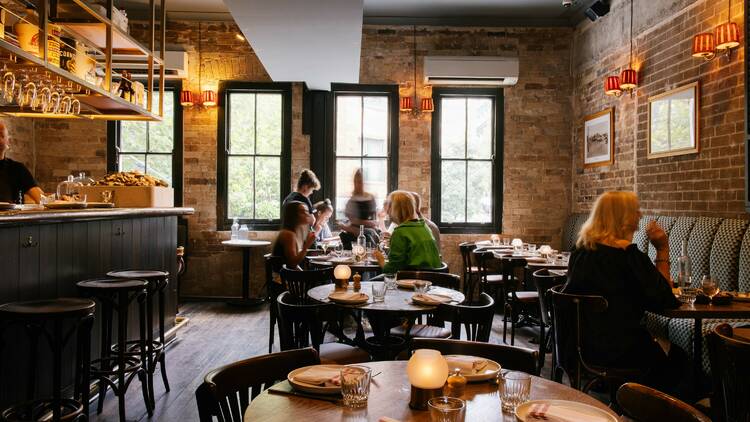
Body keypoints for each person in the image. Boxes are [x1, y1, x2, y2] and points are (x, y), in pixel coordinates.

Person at [562, 191, 687, 397]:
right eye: (635, 210)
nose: (640, 215)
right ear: (624, 217)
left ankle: (623, 397)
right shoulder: (629, 257)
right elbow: (666, 300)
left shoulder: (580, 251)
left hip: (577, 346)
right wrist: (663, 249)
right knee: (681, 358)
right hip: (619, 352)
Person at [373, 190, 441, 274]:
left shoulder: (400, 232)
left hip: (414, 280)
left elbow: (391, 271)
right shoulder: (424, 226)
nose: (388, 214)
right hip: (434, 280)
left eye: (389, 208)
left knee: (368, 284)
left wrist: (381, 260)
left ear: (395, 210)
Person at [0, 121, 43, 204]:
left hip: (11, 216)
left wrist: (60, 202)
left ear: (8, 141)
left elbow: (40, 197)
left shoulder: (17, 169)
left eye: (1, 135)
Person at [340, 168, 379, 249]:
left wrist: (373, 224)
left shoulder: (371, 197)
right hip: (355, 232)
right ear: (354, 183)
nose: (360, 184)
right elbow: (353, 221)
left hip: (371, 231)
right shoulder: (352, 200)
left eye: (362, 182)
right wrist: (370, 223)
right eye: (358, 182)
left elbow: (375, 218)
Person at [272, 201, 318, 268]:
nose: (307, 214)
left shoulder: (297, 232)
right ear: (293, 215)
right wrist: (306, 245)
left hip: (290, 274)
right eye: (303, 212)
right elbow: (292, 264)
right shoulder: (288, 234)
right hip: (282, 276)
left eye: (307, 211)